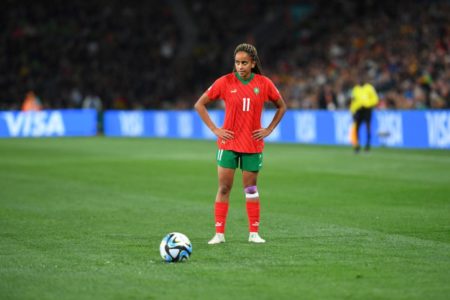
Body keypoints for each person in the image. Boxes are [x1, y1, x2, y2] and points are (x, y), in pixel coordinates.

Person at [194, 43, 287, 244]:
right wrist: (215, 130)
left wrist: (269, 129)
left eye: (244, 63)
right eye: (237, 63)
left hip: (252, 145)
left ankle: (253, 233)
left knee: (251, 189)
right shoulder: (225, 82)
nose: (240, 67)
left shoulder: (264, 83)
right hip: (228, 144)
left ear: (253, 63)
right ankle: (219, 234)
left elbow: (282, 106)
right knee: (224, 188)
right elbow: (199, 104)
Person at [350, 77, 379, 153]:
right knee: (356, 128)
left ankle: (367, 146)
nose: (360, 80)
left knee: (368, 127)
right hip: (358, 110)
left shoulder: (369, 88)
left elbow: (375, 99)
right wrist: (352, 111)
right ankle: (357, 146)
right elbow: (353, 101)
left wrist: (368, 104)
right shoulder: (355, 89)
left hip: (367, 109)